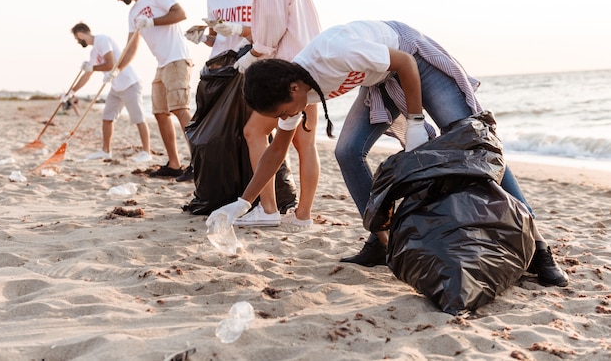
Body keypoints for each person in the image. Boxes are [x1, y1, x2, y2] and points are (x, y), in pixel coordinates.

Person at [209, 20, 569, 288]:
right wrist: (242, 203)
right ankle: (384, 240)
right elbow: (276, 151)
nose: (288, 118)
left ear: (294, 87)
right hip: (378, 79)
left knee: (471, 139)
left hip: (411, 60)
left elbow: (404, 64)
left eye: (285, 111)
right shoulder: (294, 89)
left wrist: (414, 121)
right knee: (348, 151)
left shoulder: (335, 54)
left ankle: (538, 248)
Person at [223, 0, 321, 230]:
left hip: (284, 73)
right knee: (306, 144)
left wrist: (252, 56)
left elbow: (271, 30)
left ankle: (268, 209)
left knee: (253, 132)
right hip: (309, 68)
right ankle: (303, 215)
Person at [106, 0, 193, 178]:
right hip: (162, 64)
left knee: (180, 110)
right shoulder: (133, 13)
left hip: (177, 58)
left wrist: (153, 21)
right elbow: (131, 47)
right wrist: (116, 69)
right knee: (160, 113)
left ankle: (200, 162)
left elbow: (181, 13)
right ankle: (174, 164)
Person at [178, 0, 254, 183]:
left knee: (250, 131)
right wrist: (203, 38)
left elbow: (266, 34)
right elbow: (220, 40)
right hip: (220, 70)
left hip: (250, 66)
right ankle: (222, 186)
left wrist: (237, 28)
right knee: (217, 133)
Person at [69, 22, 151, 163]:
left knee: (139, 118)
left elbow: (110, 64)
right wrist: (72, 91)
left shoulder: (102, 39)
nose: (78, 41)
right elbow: (87, 75)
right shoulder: (93, 51)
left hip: (129, 83)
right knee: (107, 118)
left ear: (81, 34)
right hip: (116, 87)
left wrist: (92, 67)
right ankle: (106, 151)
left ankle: (146, 152)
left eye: (77, 38)